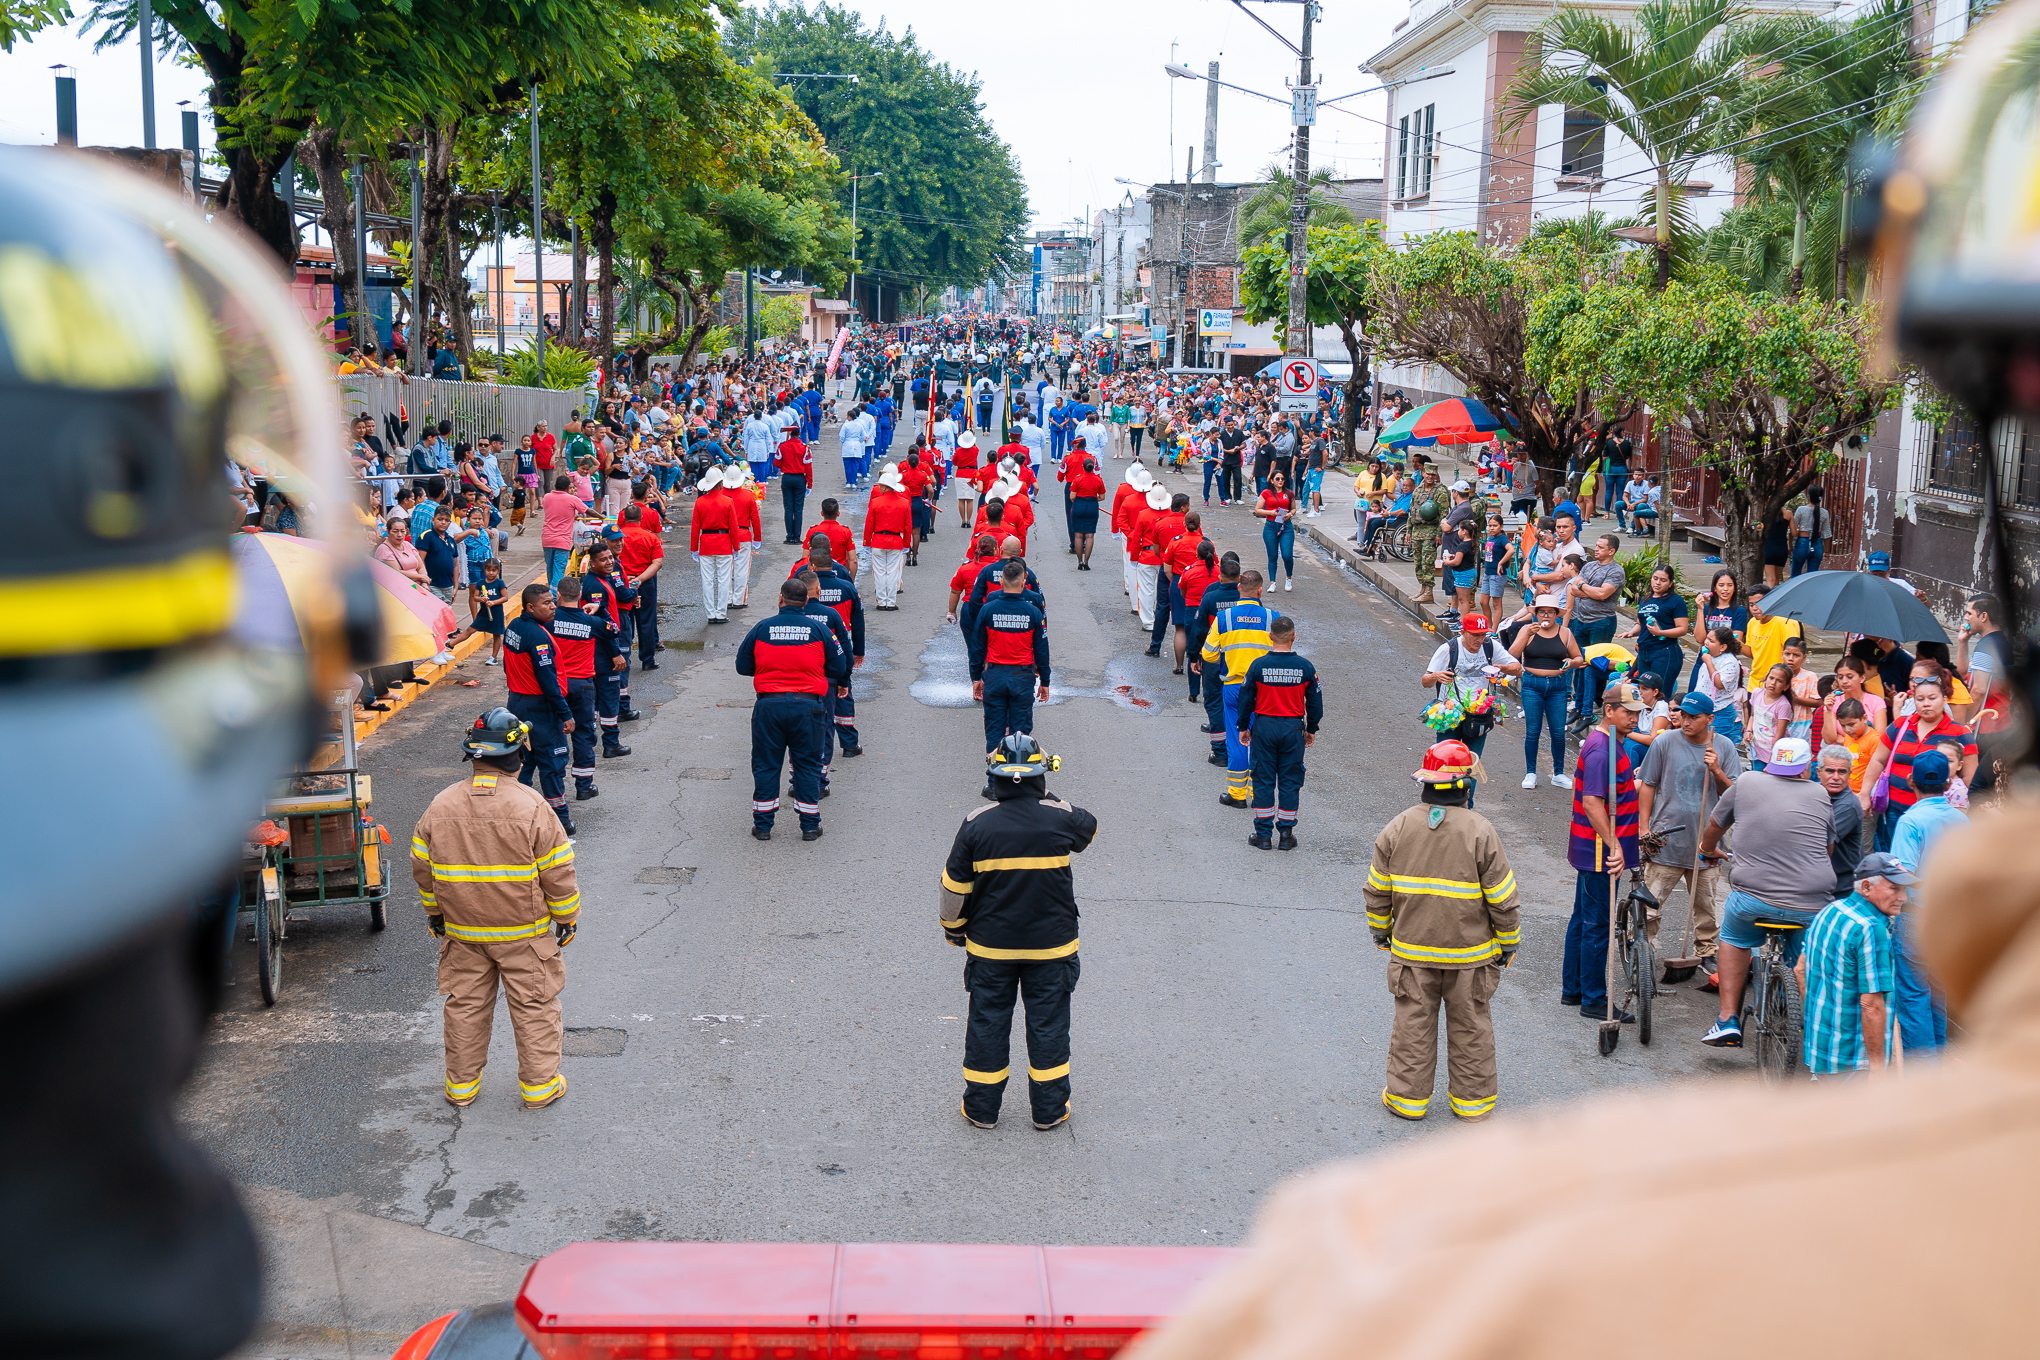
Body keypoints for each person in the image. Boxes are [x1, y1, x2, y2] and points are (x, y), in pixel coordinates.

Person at [411, 707, 581, 1111]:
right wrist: (566, 919)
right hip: (525, 937)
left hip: (464, 935)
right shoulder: (532, 806)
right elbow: (558, 872)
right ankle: (540, 1088)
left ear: (473, 755)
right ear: (517, 756)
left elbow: (423, 869)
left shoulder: (440, 804)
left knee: (465, 1008)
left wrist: (436, 914)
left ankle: (461, 1087)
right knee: (535, 1008)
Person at [939, 733, 1096, 1131]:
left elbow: (953, 888)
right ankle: (1049, 1110)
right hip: (1052, 949)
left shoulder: (976, 824)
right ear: (1041, 774)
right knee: (1049, 1025)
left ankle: (981, 1110)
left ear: (993, 777)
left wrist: (954, 930)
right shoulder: (1061, 818)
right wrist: (1047, 792)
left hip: (991, 949)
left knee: (987, 1023)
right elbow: (1089, 829)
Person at [1366, 739, 1521, 1122]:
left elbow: (1377, 891)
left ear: (1425, 781)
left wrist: (1382, 932)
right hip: (1470, 958)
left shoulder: (1398, 826)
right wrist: (1508, 943)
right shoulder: (1481, 831)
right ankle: (1472, 1105)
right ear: (1465, 785)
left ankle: (1407, 1101)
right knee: (1471, 1028)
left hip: (1412, 953)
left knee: (1412, 1026)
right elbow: (1503, 899)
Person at [1697, 737, 1836, 1048]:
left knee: (1734, 938)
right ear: (1807, 767)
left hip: (1753, 898)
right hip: (1811, 901)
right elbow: (1827, 849)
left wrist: (1706, 849)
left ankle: (1727, 1020)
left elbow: (1715, 825)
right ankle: (1805, 1020)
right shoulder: (1820, 793)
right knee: (1804, 953)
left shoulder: (1746, 782)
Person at [735, 577, 848, 842]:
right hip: (809, 709)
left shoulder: (761, 628)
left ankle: (763, 826)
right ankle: (809, 826)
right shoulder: (821, 630)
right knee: (808, 766)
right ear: (806, 601)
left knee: (766, 765)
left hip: (769, 707)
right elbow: (839, 667)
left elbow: (743, 666)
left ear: (780, 599)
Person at [1635, 690, 1740, 974]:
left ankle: (1705, 951)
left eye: (1694, 717)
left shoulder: (1724, 747)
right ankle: (1642, 950)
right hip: (1665, 839)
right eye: (1684, 715)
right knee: (1650, 903)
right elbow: (1648, 784)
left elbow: (1733, 795)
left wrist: (1717, 770)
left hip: (1707, 843)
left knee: (1706, 906)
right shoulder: (1665, 741)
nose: (1686, 721)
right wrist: (1645, 828)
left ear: (1710, 719)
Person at [1563, 682, 1645, 1021]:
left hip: (1596, 847)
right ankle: (1594, 998)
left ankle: (1574, 989)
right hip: (1600, 851)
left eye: (1637, 712)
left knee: (1582, 919)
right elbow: (1592, 802)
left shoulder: (1611, 744)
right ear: (1608, 710)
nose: (1634, 718)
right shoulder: (1601, 750)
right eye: (1628, 712)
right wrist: (1615, 845)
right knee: (1597, 924)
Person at [1802, 852, 1913, 1079]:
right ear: (1866, 887)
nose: (1904, 897)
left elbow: (1799, 969)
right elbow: (1871, 1005)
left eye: (1904, 889)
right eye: (1894, 889)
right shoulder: (1871, 929)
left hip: (1821, 1050)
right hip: (1853, 1060)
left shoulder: (1830, 910)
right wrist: (1878, 1070)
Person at [1888, 749, 1968, 1056]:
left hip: (1916, 917)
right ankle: (1936, 1062)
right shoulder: (1962, 820)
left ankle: (1923, 1069)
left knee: (1913, 996)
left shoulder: (1911, 822)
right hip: (1951, 919)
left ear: (1910, 781)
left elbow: (1903, 874)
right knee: (1937, 993)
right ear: (1948, 783)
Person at [1858, 673, 1976, 852]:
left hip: (1938, 816)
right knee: (1898, 857)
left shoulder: (1960, 733)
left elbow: (1969, 777)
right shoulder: (1899, 725)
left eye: (1932, 698)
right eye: (1920, 699)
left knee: (1933, 859)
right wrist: (1865, 793)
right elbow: (1878, 760)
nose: (1926, 703)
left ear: (1944, 700)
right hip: (1896, 810)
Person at [1236, 616, 1322, 850]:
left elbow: (1245, 699)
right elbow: (1315, 703)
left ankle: (1263, 836)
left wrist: (1243, 727)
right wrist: (1311, 729)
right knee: (1290, 781)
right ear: (1294, 637)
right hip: (1293, 729)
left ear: (1270, 636)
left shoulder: (1258, 665)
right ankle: (1286, 835)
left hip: (1264, 728)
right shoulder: (1305, 667)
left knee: (1263, 780)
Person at [1422, 614, 1521, 808]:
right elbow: (1425, 681)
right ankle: (1442, 805)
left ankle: (1467, 806)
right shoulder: (1448, 649)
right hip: (1449, 716)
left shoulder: (1490, 646)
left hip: (1479, 717)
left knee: (1471, 765)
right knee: (1445, 762)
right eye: (1475, 634)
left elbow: (1517, 668)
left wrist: (1500, 667)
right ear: (1463, 632)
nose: (1480, 639)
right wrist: (1436, 676)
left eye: (1483, 634)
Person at [502, 584, 576, 834]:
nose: (553, 606)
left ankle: (517, 816)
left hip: (517, 704)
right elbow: (548, 681)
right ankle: (560, 821)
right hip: (540, 710)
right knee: (552, 763)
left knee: (523, 760)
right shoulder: (539, 637)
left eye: (553, 601)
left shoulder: (514, 626)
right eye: (546, 603)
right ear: (530, 607)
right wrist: (565, 713)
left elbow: (507, 664)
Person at [1202, 571, 1278, 810]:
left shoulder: (1224, 618)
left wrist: (1228, 659)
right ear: (1260, 590)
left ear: (1238, 589)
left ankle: (1236, 794)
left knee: (1237, 740)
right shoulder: (1272, 618)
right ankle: (1258, 793)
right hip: (1265, 689)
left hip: (1234, 687)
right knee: (1260, 741)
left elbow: (1208, 654)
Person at [969, 560, 1053, 755]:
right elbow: (1042, 649)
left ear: (1001, 582)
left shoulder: (987, 609)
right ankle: (1018, 772)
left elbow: (977, 647)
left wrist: (976, 677)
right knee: (1021, 735)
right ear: (1023, 583)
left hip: (994, 676)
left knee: (994, 731)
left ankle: (993, 772)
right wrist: (1045, 681)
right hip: (1022, 678)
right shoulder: (1033, 612)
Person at [1509, 594, 1583, 789]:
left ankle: (1558, 773)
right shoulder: (1527, 629)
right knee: (1533, 731)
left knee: (1558, 732)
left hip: (1558, 687)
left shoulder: (1565, 632)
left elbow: (1579, 658)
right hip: (1532, 685)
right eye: (1542, 612)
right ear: (1536, 614)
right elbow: (1512, 655)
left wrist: (1571, 662)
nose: (1546, 616)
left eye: (1550, 612)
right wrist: (1526, 635)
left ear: (1557, 614)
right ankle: (1531, 773)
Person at [545, 576, 609, 802]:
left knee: (555, 732)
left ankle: (556, 784)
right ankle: (584, 786)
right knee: (583, 734)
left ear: (558, 596)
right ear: (581, 596)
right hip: (583, 686)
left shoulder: (549, 620)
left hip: (556, 685)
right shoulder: (591, 621)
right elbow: (613, 630)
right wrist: (601, 609)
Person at [1567, 533, 1625, 725]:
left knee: (1597, 663)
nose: (1596, 549)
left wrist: (1584, 587)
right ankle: (1579, 702)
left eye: (1601, 547)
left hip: (1601, 622)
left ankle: (1594, 702)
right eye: (1597, 545)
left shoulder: (1616, 571)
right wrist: (1590, 590)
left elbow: (1602, 594)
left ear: (1612, 551)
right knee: (1579, 662)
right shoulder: (1589, 565)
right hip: (1581, 620)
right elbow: (1573, 589)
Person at [1622, 563, 1689, 693]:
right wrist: (1631, 632)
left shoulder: (1676, 601)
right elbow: (1640, 623)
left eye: (1663, 580)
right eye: (1655, 578)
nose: (1658, 583)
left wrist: (1660, 632)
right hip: (1644, 652)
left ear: (1670, 583)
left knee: (1660, 694)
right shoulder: (1645, 599)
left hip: (1664, 652)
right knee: (1644, 693)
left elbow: (1682, 629)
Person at [690, 465, 738, 623]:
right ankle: (721, 613)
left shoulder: (700, 502)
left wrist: (694, 548)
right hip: (724, 544)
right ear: (720, 483)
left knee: (707, 581)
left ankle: (710, 614)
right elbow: (733, 527)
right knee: (724, 581)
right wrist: (736, 547)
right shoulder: (728, 501)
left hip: (706, 544)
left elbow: (695, 527)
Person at [1820, 742, 1867, 897]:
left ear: (1849, 773)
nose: (1836, 777)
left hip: (1840, 886)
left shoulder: (1848, 805)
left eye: (1842, 772)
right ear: (1819, 772)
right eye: (1830, 771)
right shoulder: (1815, 793)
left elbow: (1819, 842)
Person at [619, 504, 664, 668]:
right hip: (644, 582)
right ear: (641, 518)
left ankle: (624, 657)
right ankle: (647, 660)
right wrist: (639, 579)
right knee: (646, 621)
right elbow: (657, 563)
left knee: (624, 621)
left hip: (622, 583)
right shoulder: (650, 537)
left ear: (624, 518)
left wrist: (627, 579)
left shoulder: (617, 538)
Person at [863, 464, 913, 610]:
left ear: (885, 487)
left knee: (879, 573)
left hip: (878, 541)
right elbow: (908, 526)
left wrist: (866, 542)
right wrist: (906, 544)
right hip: (896, 542)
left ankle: (881, 601)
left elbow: (869, 524)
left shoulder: (875, 502)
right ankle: (890, 602)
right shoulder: (904, 503)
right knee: (892, 573)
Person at [1743, 585, 1803, 691]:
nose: (1755, 608)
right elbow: (1753, 653)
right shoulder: (1752, 623)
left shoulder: (1786, 623)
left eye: (1759, 604)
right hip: (1754, 685)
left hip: (1777, 685)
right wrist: (1735, 643)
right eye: (1751, 605)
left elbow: (1794, 655)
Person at [1409, 465, 1449, 605]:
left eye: (1433, 474)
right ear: (1423, 473)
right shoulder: (1418, 490)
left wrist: (1438, 534)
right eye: (1427, 474)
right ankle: (1423, 588)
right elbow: (1412, 510)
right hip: (1417, 531)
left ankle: (1428, 592)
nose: (1430, 477)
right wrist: (1409, 530)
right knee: (1418, 562)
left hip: (1430, 532)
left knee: (1428, 562)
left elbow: (1444, 514)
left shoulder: (1440, 491)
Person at [1256, 469, 1297, 593]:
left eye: (1282, 479)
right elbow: (1258, 509)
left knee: (1287, 555)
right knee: (1272, 555)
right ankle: (1272, 582)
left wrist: (1290, 514)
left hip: (1286, 526)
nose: (1280, 481)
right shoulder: (1266, 493)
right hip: (1270, 526)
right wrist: (1270, 512)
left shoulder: (1289, 493)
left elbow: (1294, 508)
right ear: (1272, 480)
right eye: (1277, 479)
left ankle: (1288, 578)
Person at [540, 475, 582, 589]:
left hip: (547, 539)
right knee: (558, 570)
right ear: (568, 488)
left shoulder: (547, 497)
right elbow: (587, 510)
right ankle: (554, 595)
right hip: (563, 541)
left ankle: (551, 592)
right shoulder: (572, 499)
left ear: (555, 485)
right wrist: (601, 516)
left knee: (550, 569)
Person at [777, 426, 812, 544]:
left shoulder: (782, 446)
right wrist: (810, 484)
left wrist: (784, 466)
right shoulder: (805, 448)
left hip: (786, 477)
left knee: (788, 508)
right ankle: (797, 537)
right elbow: (808, 467)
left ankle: (789, 536)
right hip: (799, 479)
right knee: (798, 509)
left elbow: (776, 462)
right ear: (799, 434)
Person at [1791, 486, 1831, 576]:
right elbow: (1827, 534)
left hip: (1802, 544)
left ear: (1808, 497)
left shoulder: (1801, 510)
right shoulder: (1824, 512)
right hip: (1817, 544)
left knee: (1795, 575)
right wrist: (1827, 552)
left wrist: (1790, 545)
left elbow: (1792, 529)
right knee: (1812, 577)